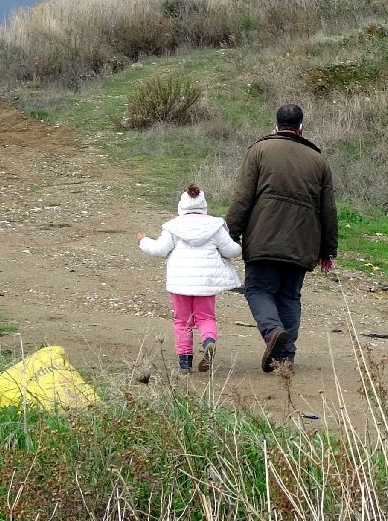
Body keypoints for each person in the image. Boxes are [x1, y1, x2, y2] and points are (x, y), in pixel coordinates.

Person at [226, 103, 337, 372]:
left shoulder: (259, 151)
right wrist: (328, 250)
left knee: (258, 290)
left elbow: (243, 198)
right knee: (289, 296)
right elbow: (328, 209)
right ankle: (285, 357)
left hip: (264, 237)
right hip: (303, 242)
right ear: (302, 128)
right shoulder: (319, 160)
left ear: (275, 126)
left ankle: (273, 331)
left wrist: (229, 236)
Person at [138, 184, 242, 374]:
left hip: (180, 283)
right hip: (206, 283)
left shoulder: (173, 227)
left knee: (182, 321)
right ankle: (209, 341)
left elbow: (159, 250)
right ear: (204, 207)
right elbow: (231, 251)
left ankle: (185, 363)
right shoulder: (215, 226)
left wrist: (143, 241)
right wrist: (241, 245)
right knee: (206, 317)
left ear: (181, 207)